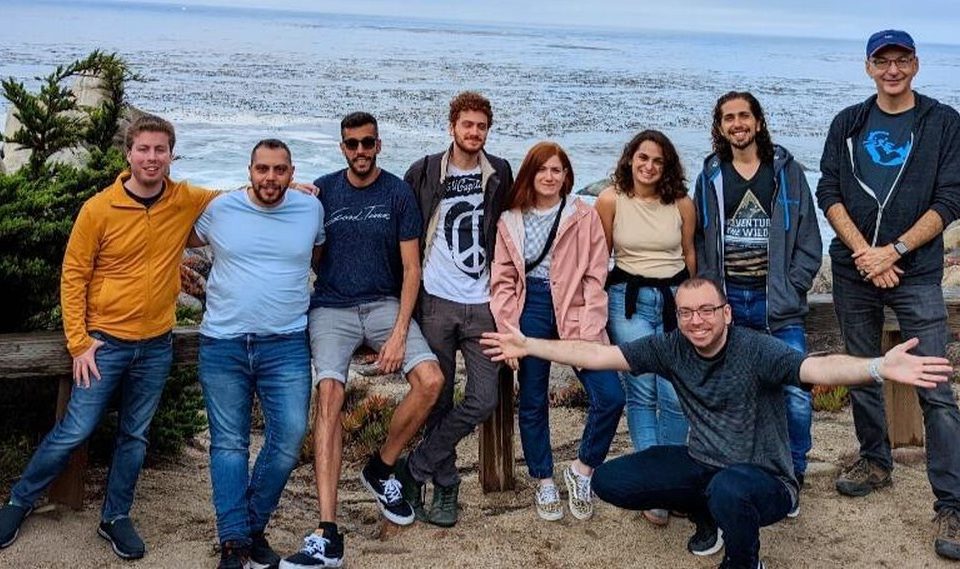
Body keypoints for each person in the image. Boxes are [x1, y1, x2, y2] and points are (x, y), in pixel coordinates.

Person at [480, 277, 953, 569]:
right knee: (610, 480)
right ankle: (707, 515)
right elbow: (598, 355)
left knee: (729, 489)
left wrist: (878, 367)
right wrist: (530, 345)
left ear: (726, 313)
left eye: (707, 310)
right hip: (704, 462)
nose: (696, 321)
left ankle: (745, 560)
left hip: (765, 479)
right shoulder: (671, 347)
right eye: (686, 312)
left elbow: (818, 368)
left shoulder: (755, 350)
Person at [0, 115, 218, 560]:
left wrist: (293, 188)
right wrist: (79, 343)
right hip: (104, 343)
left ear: (171, 155)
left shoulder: (185, 199)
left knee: (135, 436)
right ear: (128, 154)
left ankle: (115, 516)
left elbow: (243, 197)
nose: (152, 158)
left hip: (156, 344)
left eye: (160, 150)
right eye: (144, 149)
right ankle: (19, 501)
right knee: (75, 429)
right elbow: (73, 276)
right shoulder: (99, 208)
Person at [816, 29, 960, 559]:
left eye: (901, 60)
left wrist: (894, 251)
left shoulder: (942, 122)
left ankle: (953, 504)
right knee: (861, 372)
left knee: (935, 385)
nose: (892, 70)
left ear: (915, 64)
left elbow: (951, 198)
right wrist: (866, 254)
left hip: (917, 272)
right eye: (883, 61)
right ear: (868, 67)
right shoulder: (849, 122)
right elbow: (828, 189)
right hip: (855, 269)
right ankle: (875, 461)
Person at [282, 112, 443, 569]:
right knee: (329, 395)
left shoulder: (397, 193)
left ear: (378, 145)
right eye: (351, 144)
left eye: (367, 143)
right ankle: (327, 530)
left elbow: (411, 269)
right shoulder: (323, 191)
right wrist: (291, 189)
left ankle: (380, 466)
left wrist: (398, 334)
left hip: (384, 305)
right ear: (342, 147)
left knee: (431, 381)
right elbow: (290, 230)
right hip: (331, 307)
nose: (360, 151)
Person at [190, 139, 324, 569]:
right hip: (223, 343)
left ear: (291, 172)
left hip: (286, 343)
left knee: (289, 437)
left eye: (280, 170)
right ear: (249, 171)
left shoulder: (310, 209)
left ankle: (248, 526)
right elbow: (172, 231)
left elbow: (319, 255)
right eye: (262, 169)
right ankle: (235, 544)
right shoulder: (220, 209)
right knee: (229, 443)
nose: (271, 177)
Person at [694, 91, 822, 517]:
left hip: (777, 308)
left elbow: (809, 238)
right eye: (728, 118)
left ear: (758, 122)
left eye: (744, 116)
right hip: (729, 305)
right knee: (732, 396)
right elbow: (699, 238)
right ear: (720, 126)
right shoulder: (711, 174)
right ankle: (740, 475)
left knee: (796, 396)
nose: (737, 124)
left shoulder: (786, 172)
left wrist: (793, 286)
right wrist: (710, 293)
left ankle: (793, 477)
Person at [489, 141, 624, 522]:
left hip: (576, 306)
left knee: (610, 395)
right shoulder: (510, 219)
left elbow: (597, 273)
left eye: (556, 170)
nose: (549, 177)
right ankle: (544, 479)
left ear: (567, 176)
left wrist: (590, 324)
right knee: (533, 399)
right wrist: (509, 329)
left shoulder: (583, 215)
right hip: (530, 305)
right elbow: (502, 279)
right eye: (542, 169)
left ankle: (583, 470)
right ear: (530, 174)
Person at [396, 91, 514, 527]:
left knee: (483, 399)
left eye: (481, 126)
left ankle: (415, 468)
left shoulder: (499, 171)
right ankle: (446, 486)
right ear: (452, 127)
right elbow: (403, 232)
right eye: (467, 124)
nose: (474, 132)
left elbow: (514, 224)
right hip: (436, 302)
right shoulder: (424, 171)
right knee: (439, 399)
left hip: (483, 303)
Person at [595, 130, 696, 526]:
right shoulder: (610, 199)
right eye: (643, 158)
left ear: (667, 166)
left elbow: (689, 254)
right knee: (640, 391)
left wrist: (696, 305)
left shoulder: (682, 203)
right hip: (628, 300)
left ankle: (674, 480)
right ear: (630, 159)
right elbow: (599, 256)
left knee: (675, 392)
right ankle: (653, 489)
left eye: (657, 160)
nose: (649, 166)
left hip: (675, 301)